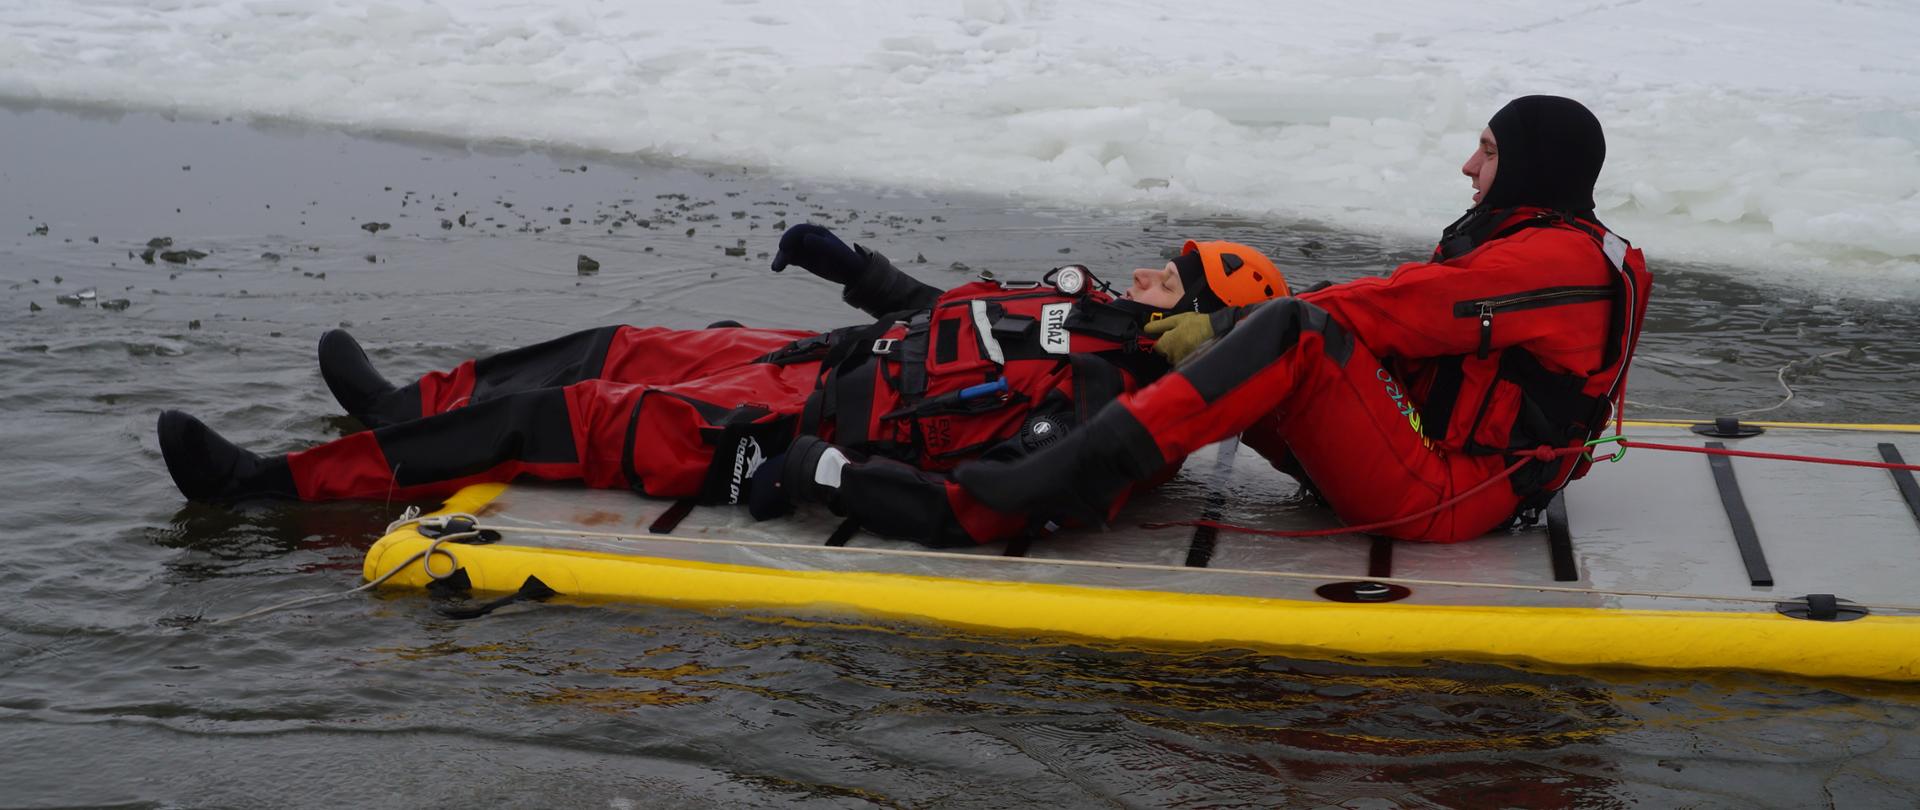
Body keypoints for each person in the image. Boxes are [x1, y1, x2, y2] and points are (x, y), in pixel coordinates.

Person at [157, 225, 1289, 546]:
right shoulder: (1089, 317)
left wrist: (823, 473)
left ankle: (270, 488)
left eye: (1168, 271)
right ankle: (403, 408)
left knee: (565, 420)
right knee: (625, 342)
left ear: (1191, 309)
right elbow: (956, 323)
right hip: (815, 363)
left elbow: (987, 501)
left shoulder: (1105, 407)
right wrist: (862, 273)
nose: (1142, 268)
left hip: (787, 429)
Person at [954, 95, 1652, 542]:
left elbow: (1399, 310)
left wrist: (1233, 326)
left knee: (1288, 331)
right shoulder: (1532, 243)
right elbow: (1394, 311)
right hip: (1430, 462)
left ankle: (1065, 469)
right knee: (1243, 325)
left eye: (1491, 151)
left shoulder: (1557, 263)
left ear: (1534, 165)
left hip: (1449, 495)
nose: (1469, 166)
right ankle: (1019, 429)